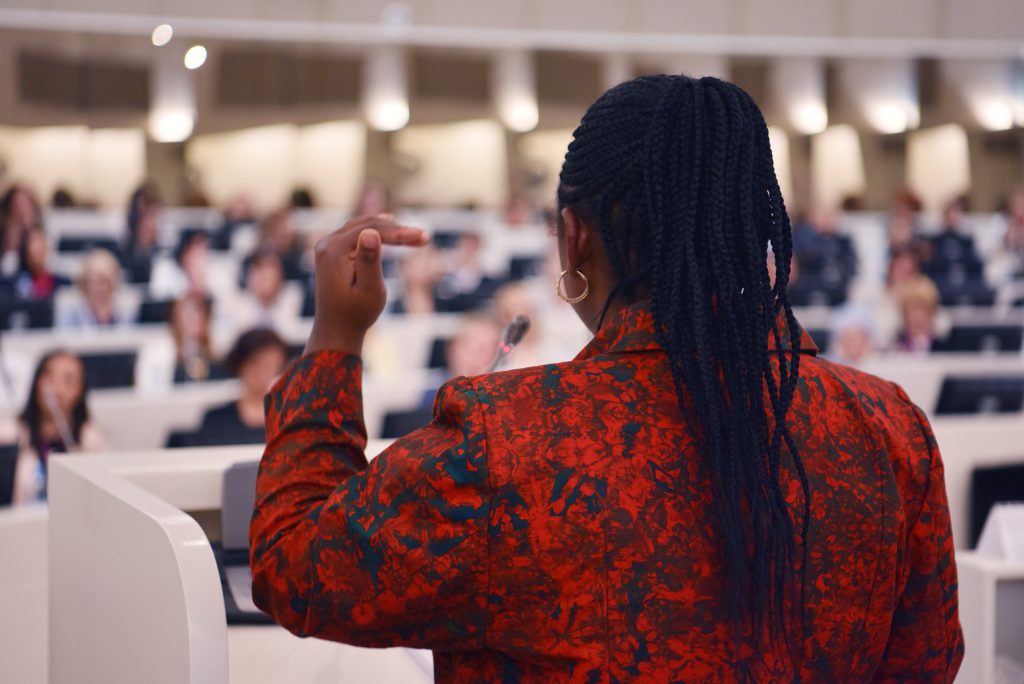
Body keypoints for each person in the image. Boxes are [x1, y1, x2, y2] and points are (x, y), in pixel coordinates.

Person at [251, 76, 963, 682]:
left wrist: (333, 341)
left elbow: (295, 566)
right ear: (757, 230)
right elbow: (927, 663)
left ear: (575, 235)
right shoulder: (889, 428)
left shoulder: (502, 446)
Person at [11, 350, 105, 503]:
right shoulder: (10, 434)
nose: (58, 389)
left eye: (69, 381)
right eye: (49, 378)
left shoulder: (92, 439)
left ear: (80, 390)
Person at [198, 328, 288, 436]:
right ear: (241, 365)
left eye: (270, 366)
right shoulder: (216, 420)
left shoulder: (289, 418)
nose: (263, 373)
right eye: (256, 364)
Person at [58, 249, 126, 328]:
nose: (97, 287)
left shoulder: (124, 309)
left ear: (112, 282)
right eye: (92, 282)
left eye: (102, 281)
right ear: (85, 283)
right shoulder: (71, 311)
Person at [14, 226, 69, 300]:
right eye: (32, 245)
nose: (36, 248)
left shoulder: (62, 283)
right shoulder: (17, 283)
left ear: (47, 249)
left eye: (39, 251)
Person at [892, 275, 941, 355]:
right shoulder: (895, 348)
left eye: (922, 308)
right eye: (912, 309)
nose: (917, 316)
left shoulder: (945, 348)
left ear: (932, 311)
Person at [0, 184, 42, 277]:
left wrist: (31, 231)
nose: (21, 210)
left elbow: (39, 266)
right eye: (16, 205)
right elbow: (7, 270)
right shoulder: (5, 234)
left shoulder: (39, 232)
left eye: (24, 204)